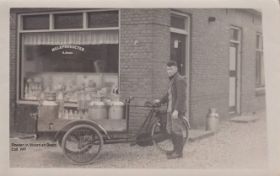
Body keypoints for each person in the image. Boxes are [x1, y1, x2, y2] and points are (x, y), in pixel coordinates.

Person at [154, 60, 187, 159]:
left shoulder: (179, 79)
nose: (169, 71)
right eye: (167, 69)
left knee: (176, 130)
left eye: (171, 69)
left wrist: (176, 110)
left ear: (176, 69)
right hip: (170, 109)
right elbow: (169, 95)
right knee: (170, 130)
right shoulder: (172, 80)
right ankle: (175, 150)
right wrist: (160, 101)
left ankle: (179, 153)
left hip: (176, 110)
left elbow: (181, 97)